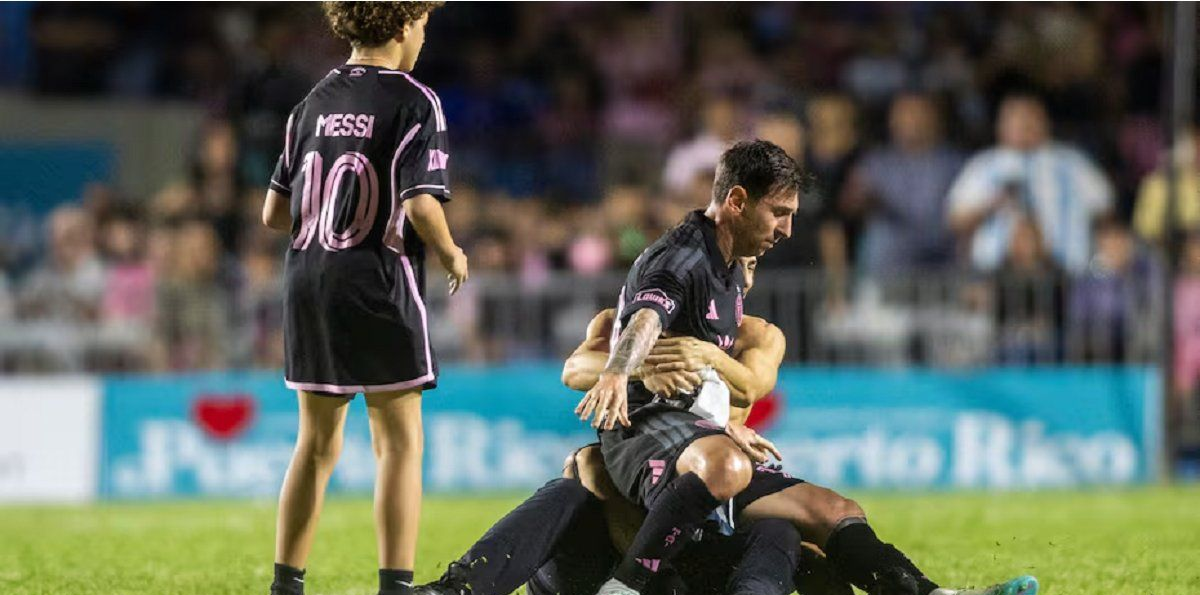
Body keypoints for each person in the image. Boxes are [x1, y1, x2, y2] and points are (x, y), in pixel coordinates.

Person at [577, 140, 1036, 595]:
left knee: (835, 509)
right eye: (779, 212)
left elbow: (728, 376)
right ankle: (624, 589)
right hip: (644, 434)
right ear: (737, 201)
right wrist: (617, 373)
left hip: (695, 434)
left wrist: (716, 418)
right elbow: (645, 317)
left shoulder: (732, 264)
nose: (788, 229)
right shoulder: (683, 255)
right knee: (732, 475)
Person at [418, 257, 852, 595]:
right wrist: (635, 367)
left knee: (777, 531)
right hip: (611, 548)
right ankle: (461, 587)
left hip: (690, 548)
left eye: (743, 268)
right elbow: (574, 369)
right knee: (578, 479)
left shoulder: (755, 338)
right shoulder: (624, 324)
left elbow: (753, 386)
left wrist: (712, 387)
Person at [260, 3, 468, 595]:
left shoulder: (311, 102)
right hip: (376, 278)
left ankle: (286, 582)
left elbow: (273, 212)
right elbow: (421, 203)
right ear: (404, 25)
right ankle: (396, 584)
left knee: (316, 444)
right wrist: (452, 253)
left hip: (309, 281)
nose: (424, 36)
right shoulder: (414, 100)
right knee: (398, 443)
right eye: (423, 23)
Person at [947, 93, 1113, 274]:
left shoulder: (1072, 164)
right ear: (1001, 125)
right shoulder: (983, 166)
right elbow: (955, 220)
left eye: (1031, 117)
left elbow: (1105, 212)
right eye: (1016, 118)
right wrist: (992, 204)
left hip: (1066, 276)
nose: (1024, 124)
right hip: (997, 277)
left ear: (1046, 122)